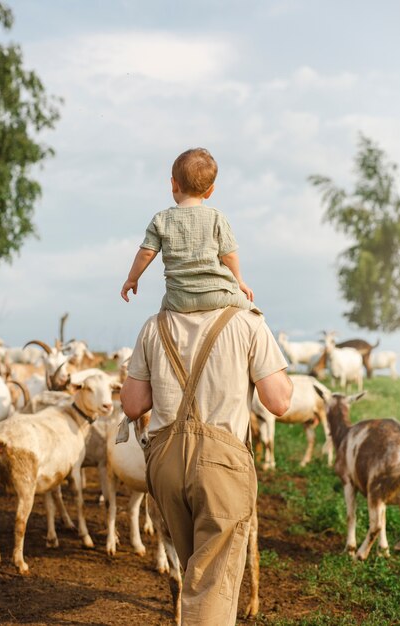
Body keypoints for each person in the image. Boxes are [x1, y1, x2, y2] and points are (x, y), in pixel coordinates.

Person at [120, 305, 292, 625]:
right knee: (213, 584)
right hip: (221, 466)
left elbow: (132, 405)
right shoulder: (248, 323)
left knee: (192, 570)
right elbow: (279, 402)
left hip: (166, 466)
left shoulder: (153, 326)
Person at [120, 147, 259, 313]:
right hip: (217, 294)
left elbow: (146, 253)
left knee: (162, 318)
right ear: (210, 191)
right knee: (253, 313)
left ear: (173, 184)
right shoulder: (216, 217)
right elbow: (228, 254)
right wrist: (240, 281)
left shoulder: (161, 219)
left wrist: (132, 279)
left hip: (178, 299)